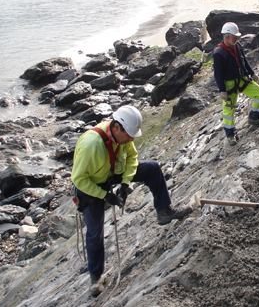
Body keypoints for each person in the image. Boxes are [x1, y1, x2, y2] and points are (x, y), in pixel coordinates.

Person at [71, 105, 192, 295]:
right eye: (129, 135)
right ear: (116, 127)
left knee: (152, 168)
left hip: (112, 174)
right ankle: (95, 277)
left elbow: (133, 158)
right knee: (95, 232)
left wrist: (126, 183)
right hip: (92, 184)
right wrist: (106, 195)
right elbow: (79, 179)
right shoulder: (90, 145)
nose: (132, 139)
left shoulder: (123, 136)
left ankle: (164, 210)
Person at [213, 22, 259, 146]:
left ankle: (254, 117)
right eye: (234, 37)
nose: (237, 39)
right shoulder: (218, 53)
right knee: (228, 112)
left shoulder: (237, 45)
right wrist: (222, 90)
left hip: (242, 79)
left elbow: (244, 60)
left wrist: (251, 73)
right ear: (227, 36)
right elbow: (218, 74)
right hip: (229, 85)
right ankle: (230, 135)